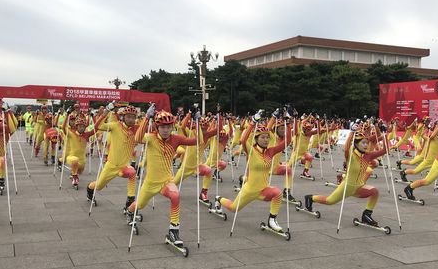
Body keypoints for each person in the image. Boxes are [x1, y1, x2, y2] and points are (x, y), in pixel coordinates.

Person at [126, 107, 197, 247]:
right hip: (150, 183)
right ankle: (129, 211)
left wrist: (196, 120)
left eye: (169, 127)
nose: (166, 130)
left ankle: (173, 231)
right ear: (157, 127)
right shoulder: (151, 138)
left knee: (175, 195)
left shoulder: (176, 139)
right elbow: (138, 138)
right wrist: (146, 117)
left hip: (166, 181)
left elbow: (195, 142)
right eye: (163, 127)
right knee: (139, 205)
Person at [213, 110, 291, 233]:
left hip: (263, 190)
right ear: (256, 138)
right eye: (263, 137)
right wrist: (253, 122)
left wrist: (288, 123)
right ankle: (219, 199)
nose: (266, 140)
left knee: (278, 193)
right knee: (234, 208)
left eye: (267, 137)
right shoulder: (251, 151)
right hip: (249, 190)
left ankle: (272, 220)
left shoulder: (270, 152)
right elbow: (243, 140)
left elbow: (287, 142)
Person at [303, 129, 386, 226]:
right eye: (363, 143)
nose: (366, 145)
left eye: (366, 143)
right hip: (347, 187)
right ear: (356, 144)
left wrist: (385, 137)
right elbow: (346, 148)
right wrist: (351, 134)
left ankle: (366, 215)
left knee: (375, 192)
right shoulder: (351, 155)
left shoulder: (368, 155)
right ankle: (311, 198)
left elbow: (385, 150)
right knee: (329, 201)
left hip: (359, 187)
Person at [87, 104, 140, 209]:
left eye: (133, 117)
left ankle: (129, 202)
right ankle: (90, 189)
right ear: (123, 117)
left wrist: (149, 116)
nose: (131, 119)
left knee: (132, 173)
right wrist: (106, 111)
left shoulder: (136, 129)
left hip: (124, 167)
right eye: (128, 116)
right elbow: (98, 127)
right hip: (111, 166)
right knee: (99, 186)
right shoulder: (115, 125)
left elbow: (150, 130)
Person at [59, 109, 106, 187]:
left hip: (82, 160)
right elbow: (64, 128)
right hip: (71, 157)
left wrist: (93, 117)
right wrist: (67, 114)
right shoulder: (71, 134)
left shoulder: (86, 135)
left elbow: (96, 128)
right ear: (76, 126)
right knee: (74, 161)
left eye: (83, 126)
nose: (82, 128)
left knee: (79, 170)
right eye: (80, 126)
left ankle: (74, 173)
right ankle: (74, 179)